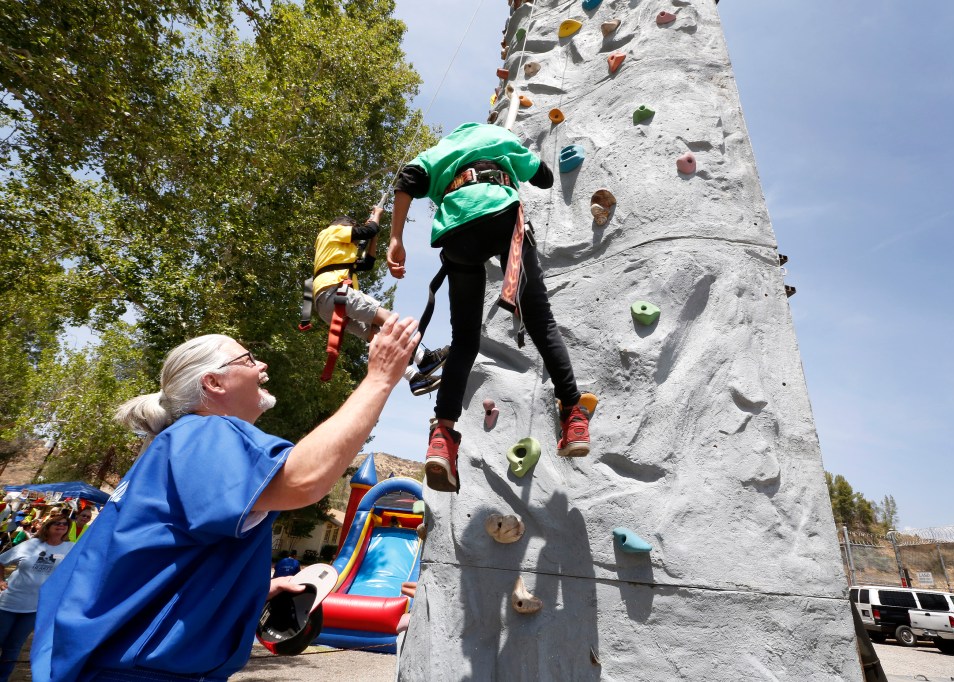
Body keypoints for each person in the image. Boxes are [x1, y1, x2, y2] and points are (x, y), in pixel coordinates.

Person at [32, 315, 420, 681]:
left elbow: (159, 564)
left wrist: (259, 590)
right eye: (248, 358)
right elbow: (304, 481)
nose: (262, 364)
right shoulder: (205, 433)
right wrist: (380, 377)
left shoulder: (178, 447)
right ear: (214, 383)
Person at [387, 122, 591, 493]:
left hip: (458, 232)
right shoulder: (498, 138)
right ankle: (574, 414)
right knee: (540, 319)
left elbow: (407, 179)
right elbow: (542, 177)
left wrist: (396, 238)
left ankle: (442, 438)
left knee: (464, 341)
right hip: (501, 216)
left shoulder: (440, 151)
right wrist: (535, 167)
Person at [306, 206, 448, 395]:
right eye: (353, 230)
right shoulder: (331, 231)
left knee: (377, 336)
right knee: (388, 319)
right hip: (335, 292)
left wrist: (374, 234)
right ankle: (425, 358)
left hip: (326, 306)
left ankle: (413, 379)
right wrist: (376, 217)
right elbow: (367, 231)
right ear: (344, 225)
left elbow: (368, 263)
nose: (355, 242)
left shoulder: (335, 255)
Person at [0, 517, 73, 681]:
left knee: (14, 646)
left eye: (65, 524)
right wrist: (1, 581)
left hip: (36, 607)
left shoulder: (70, 548)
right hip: (9, 602)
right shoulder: (30, 544)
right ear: (48, 526)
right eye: (57, 523)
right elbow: (2, 561)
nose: (61, 526)